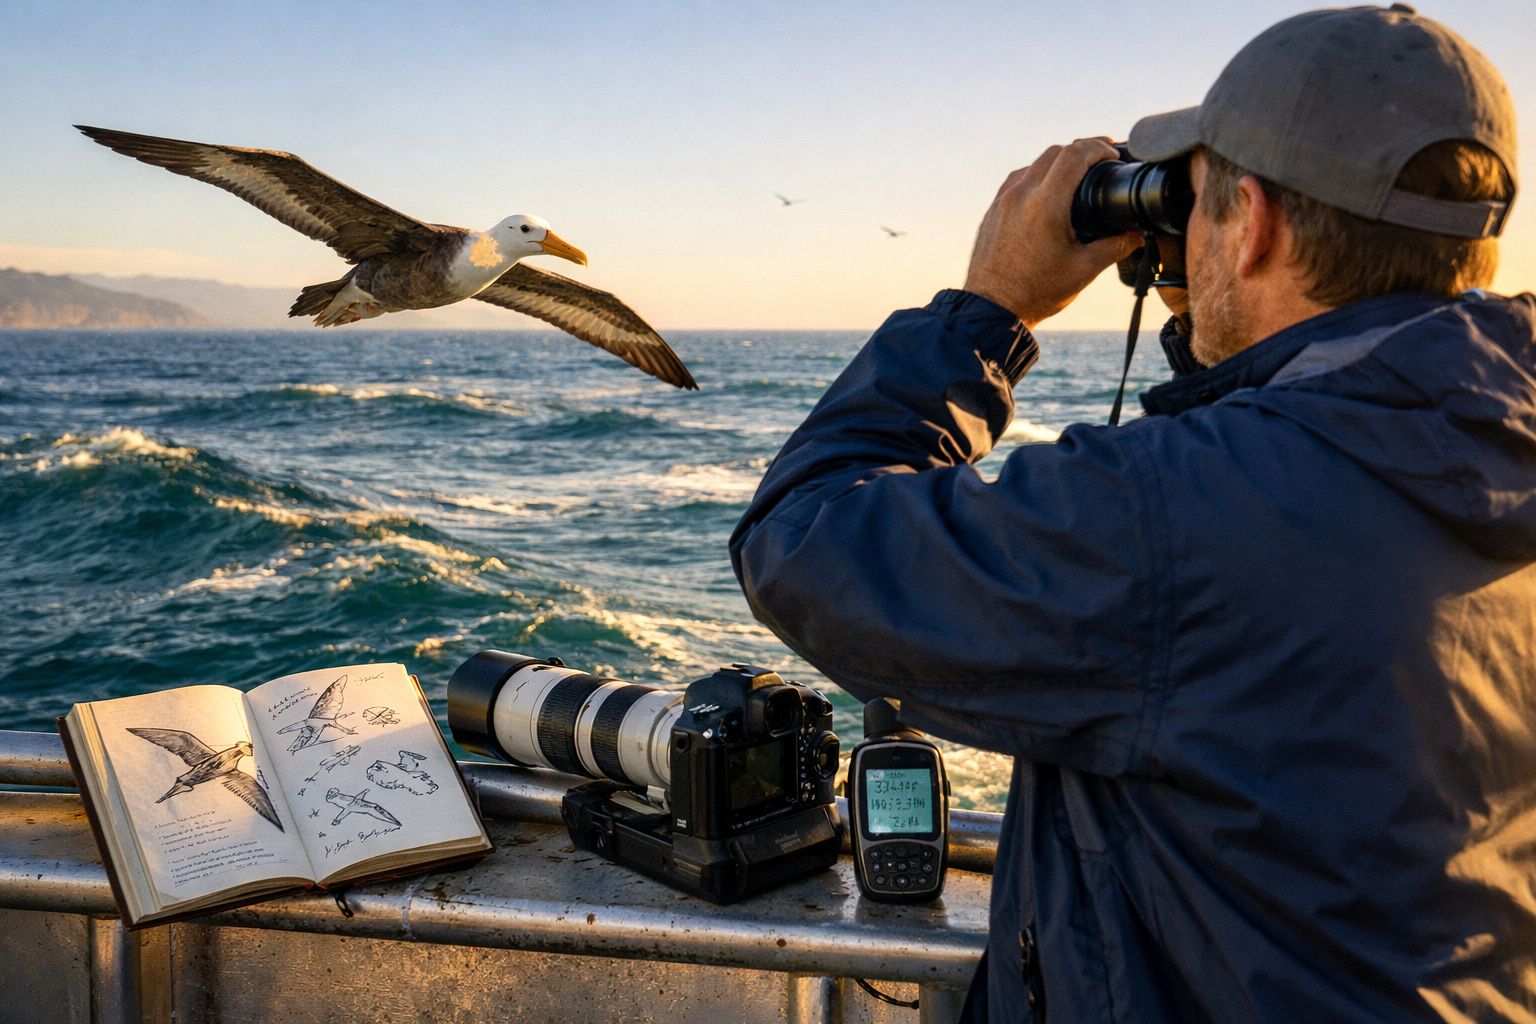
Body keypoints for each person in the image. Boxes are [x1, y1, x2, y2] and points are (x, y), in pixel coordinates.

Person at [730, 5, 1533, 1021]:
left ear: (1260, 227)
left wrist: (988, 311)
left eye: (1200, 201)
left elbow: (803, 538)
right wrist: (1218, 311)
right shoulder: (1498, 448)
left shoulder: (1185, 512)